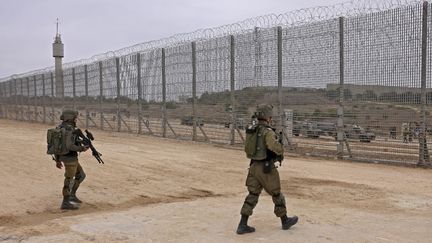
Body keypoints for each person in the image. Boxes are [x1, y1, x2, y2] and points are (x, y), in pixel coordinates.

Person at [237, 104, 298, 234]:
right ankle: (285, 220)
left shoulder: (252, 129)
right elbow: (273, 146)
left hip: (253, 166)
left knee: (253, 194)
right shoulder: (267, 131)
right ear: (267, 117)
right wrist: (280, 148)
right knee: (276, 193)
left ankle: (242, 224)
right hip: (266, 168)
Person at [55, 110, 89, 210]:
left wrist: (57, 159)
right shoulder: (69, 129)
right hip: (70, 158)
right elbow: (69, 146)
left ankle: (72, 195)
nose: (75, 119)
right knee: (69, 179)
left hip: (67, 157)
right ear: (70, 118)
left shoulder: (60, 127)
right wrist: (82, 148)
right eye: (74, 118)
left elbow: (58, 145)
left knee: (81, 175)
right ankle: (65, 202)